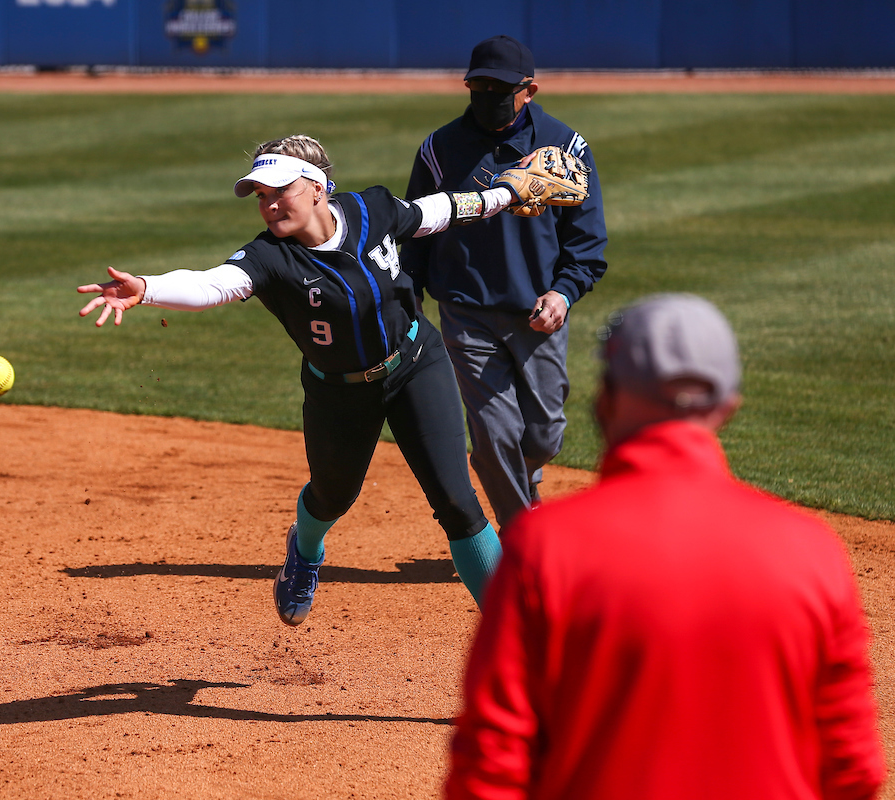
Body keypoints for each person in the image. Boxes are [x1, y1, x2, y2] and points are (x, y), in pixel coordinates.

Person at [78, 134, 537, 626]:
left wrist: (507, 195)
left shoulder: (371, 209)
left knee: (456, 501)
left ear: (318, 188)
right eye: (260, 196)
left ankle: (514, 639)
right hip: (338, 392)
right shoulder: (270, 258)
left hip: (416, 363)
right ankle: (307, 548)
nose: (270, 204)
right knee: (332, 495)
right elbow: (211, 284)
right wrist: (147, 288)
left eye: (280, 190)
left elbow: (436, 211)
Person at [446, 293, 886, 800]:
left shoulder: (545, 549)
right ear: (728, 406)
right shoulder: (813, 552)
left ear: (606, 401)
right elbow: (853, 769)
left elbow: (491, 764)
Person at [402, 35, 608, 528]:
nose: (489, 96)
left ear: (529, 90)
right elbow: (415, 231)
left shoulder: (565, 147)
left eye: (501, 88)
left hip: (538, 313)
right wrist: (407, 301)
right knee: (495, 434)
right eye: (479, 87)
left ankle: (520, 474)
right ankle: (524, 539)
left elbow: (586, 241)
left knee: (543, 436)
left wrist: (563, 293)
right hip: (465, 311)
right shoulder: (439, 149)